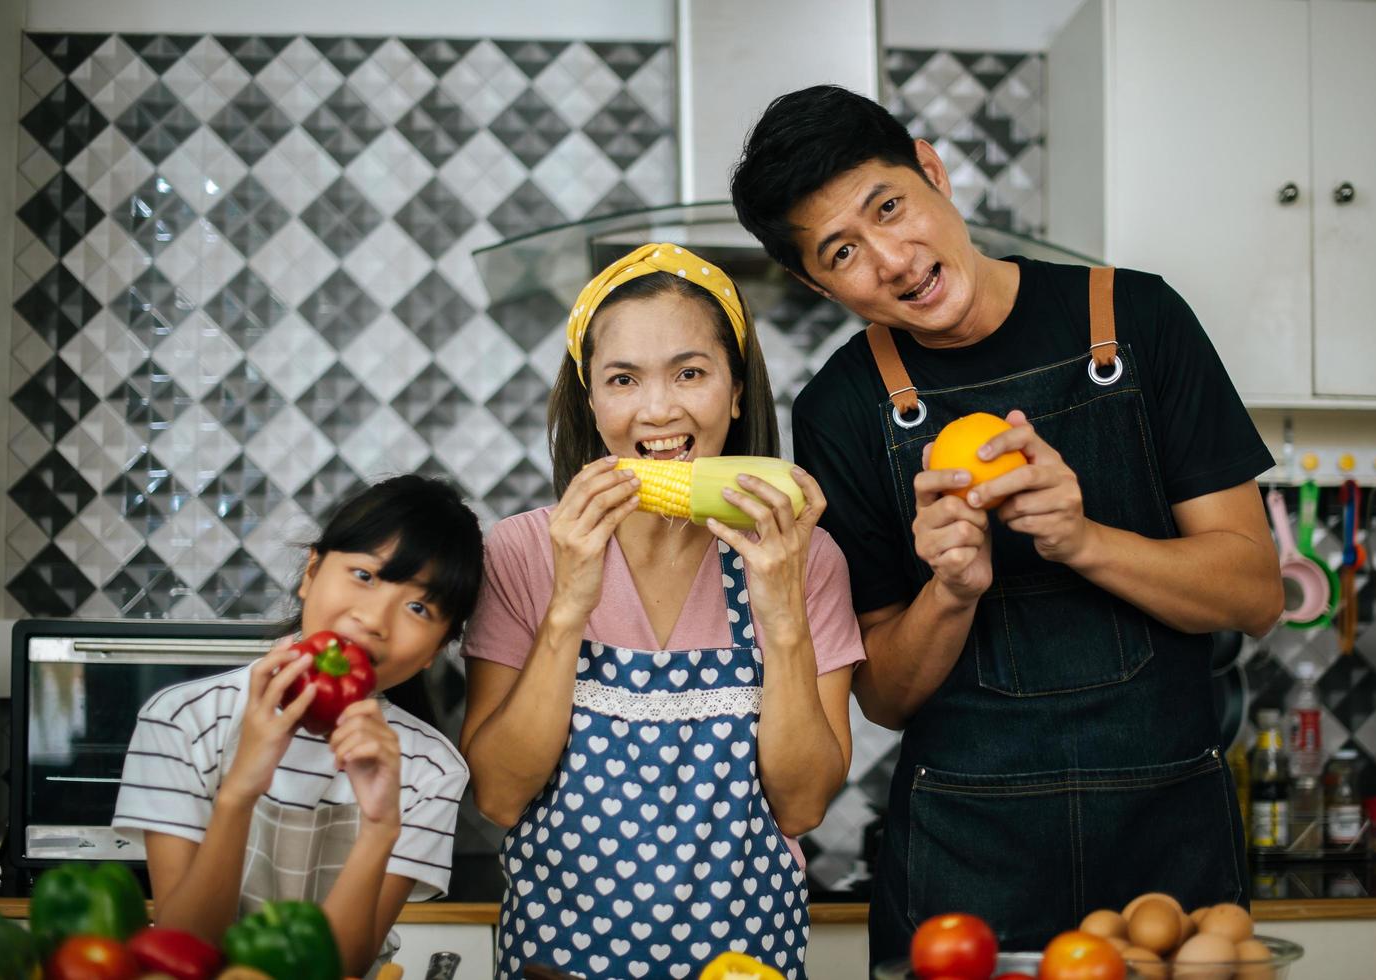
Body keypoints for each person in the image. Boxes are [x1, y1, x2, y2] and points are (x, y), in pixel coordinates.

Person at [730, 86, 1284, 958]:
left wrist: (1084, 540)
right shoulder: (841, 407)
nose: (892, 259)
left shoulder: (1136, 321)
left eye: (890, 207)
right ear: (813, 282)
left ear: (932, 171)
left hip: (1168, 840)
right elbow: (883, 696)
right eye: (843, 251)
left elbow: (1254, 593)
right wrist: (950, 591)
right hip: (967, 859)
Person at [459, 243, 865, 979]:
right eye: (623, 379)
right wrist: (568, 606)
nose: (658, 410)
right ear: (591, 400)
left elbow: (801, 807)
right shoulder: (522, 551)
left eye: (690, 373)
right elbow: (498, 794)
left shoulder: (806, 557)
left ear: (737, 392)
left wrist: (780, 611)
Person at [113, 475, 483, 977]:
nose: (375, 618)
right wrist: (239, 789)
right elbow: (184, 947)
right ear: (311, 571)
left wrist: (379, 827)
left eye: (419, 607)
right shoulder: (181, 720)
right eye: (365, 576)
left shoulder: (431, 771)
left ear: (435, 652)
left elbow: (346, 965)